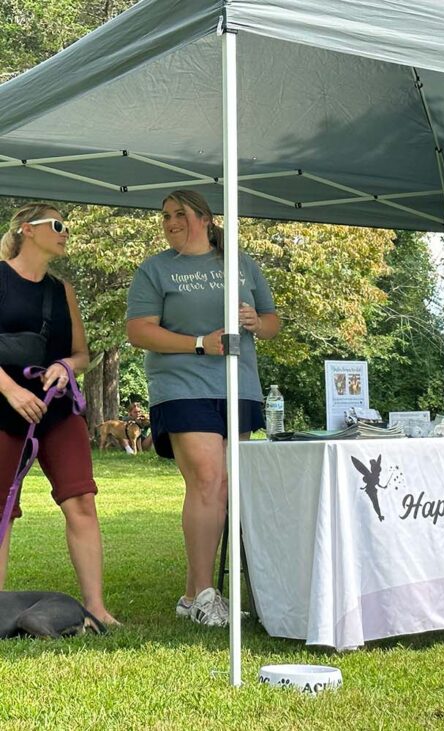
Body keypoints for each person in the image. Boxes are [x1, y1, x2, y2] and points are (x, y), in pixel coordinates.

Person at [126, 190, 280, 627]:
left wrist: (256, 322)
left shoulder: (241, 263)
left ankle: (193, 596)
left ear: (205, 218)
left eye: (180, 214)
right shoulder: (155, 269)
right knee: (209, 479)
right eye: (165, 216)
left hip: (240, 386)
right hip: (181, 386)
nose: (171, 222)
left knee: (226, 486)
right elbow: (139, 331)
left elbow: (272, 322)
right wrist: (199, 345)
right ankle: (205, 594)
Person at [0, 203, 118, 626]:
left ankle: (96, 608)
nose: (66, 232)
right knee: (1, 509)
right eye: (58, 225)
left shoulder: (60, 289)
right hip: (4, 404)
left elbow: (82, 354)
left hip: (56, 407)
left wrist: (66, 366)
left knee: (81, 498)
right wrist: (12, 391)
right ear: (28, 230)